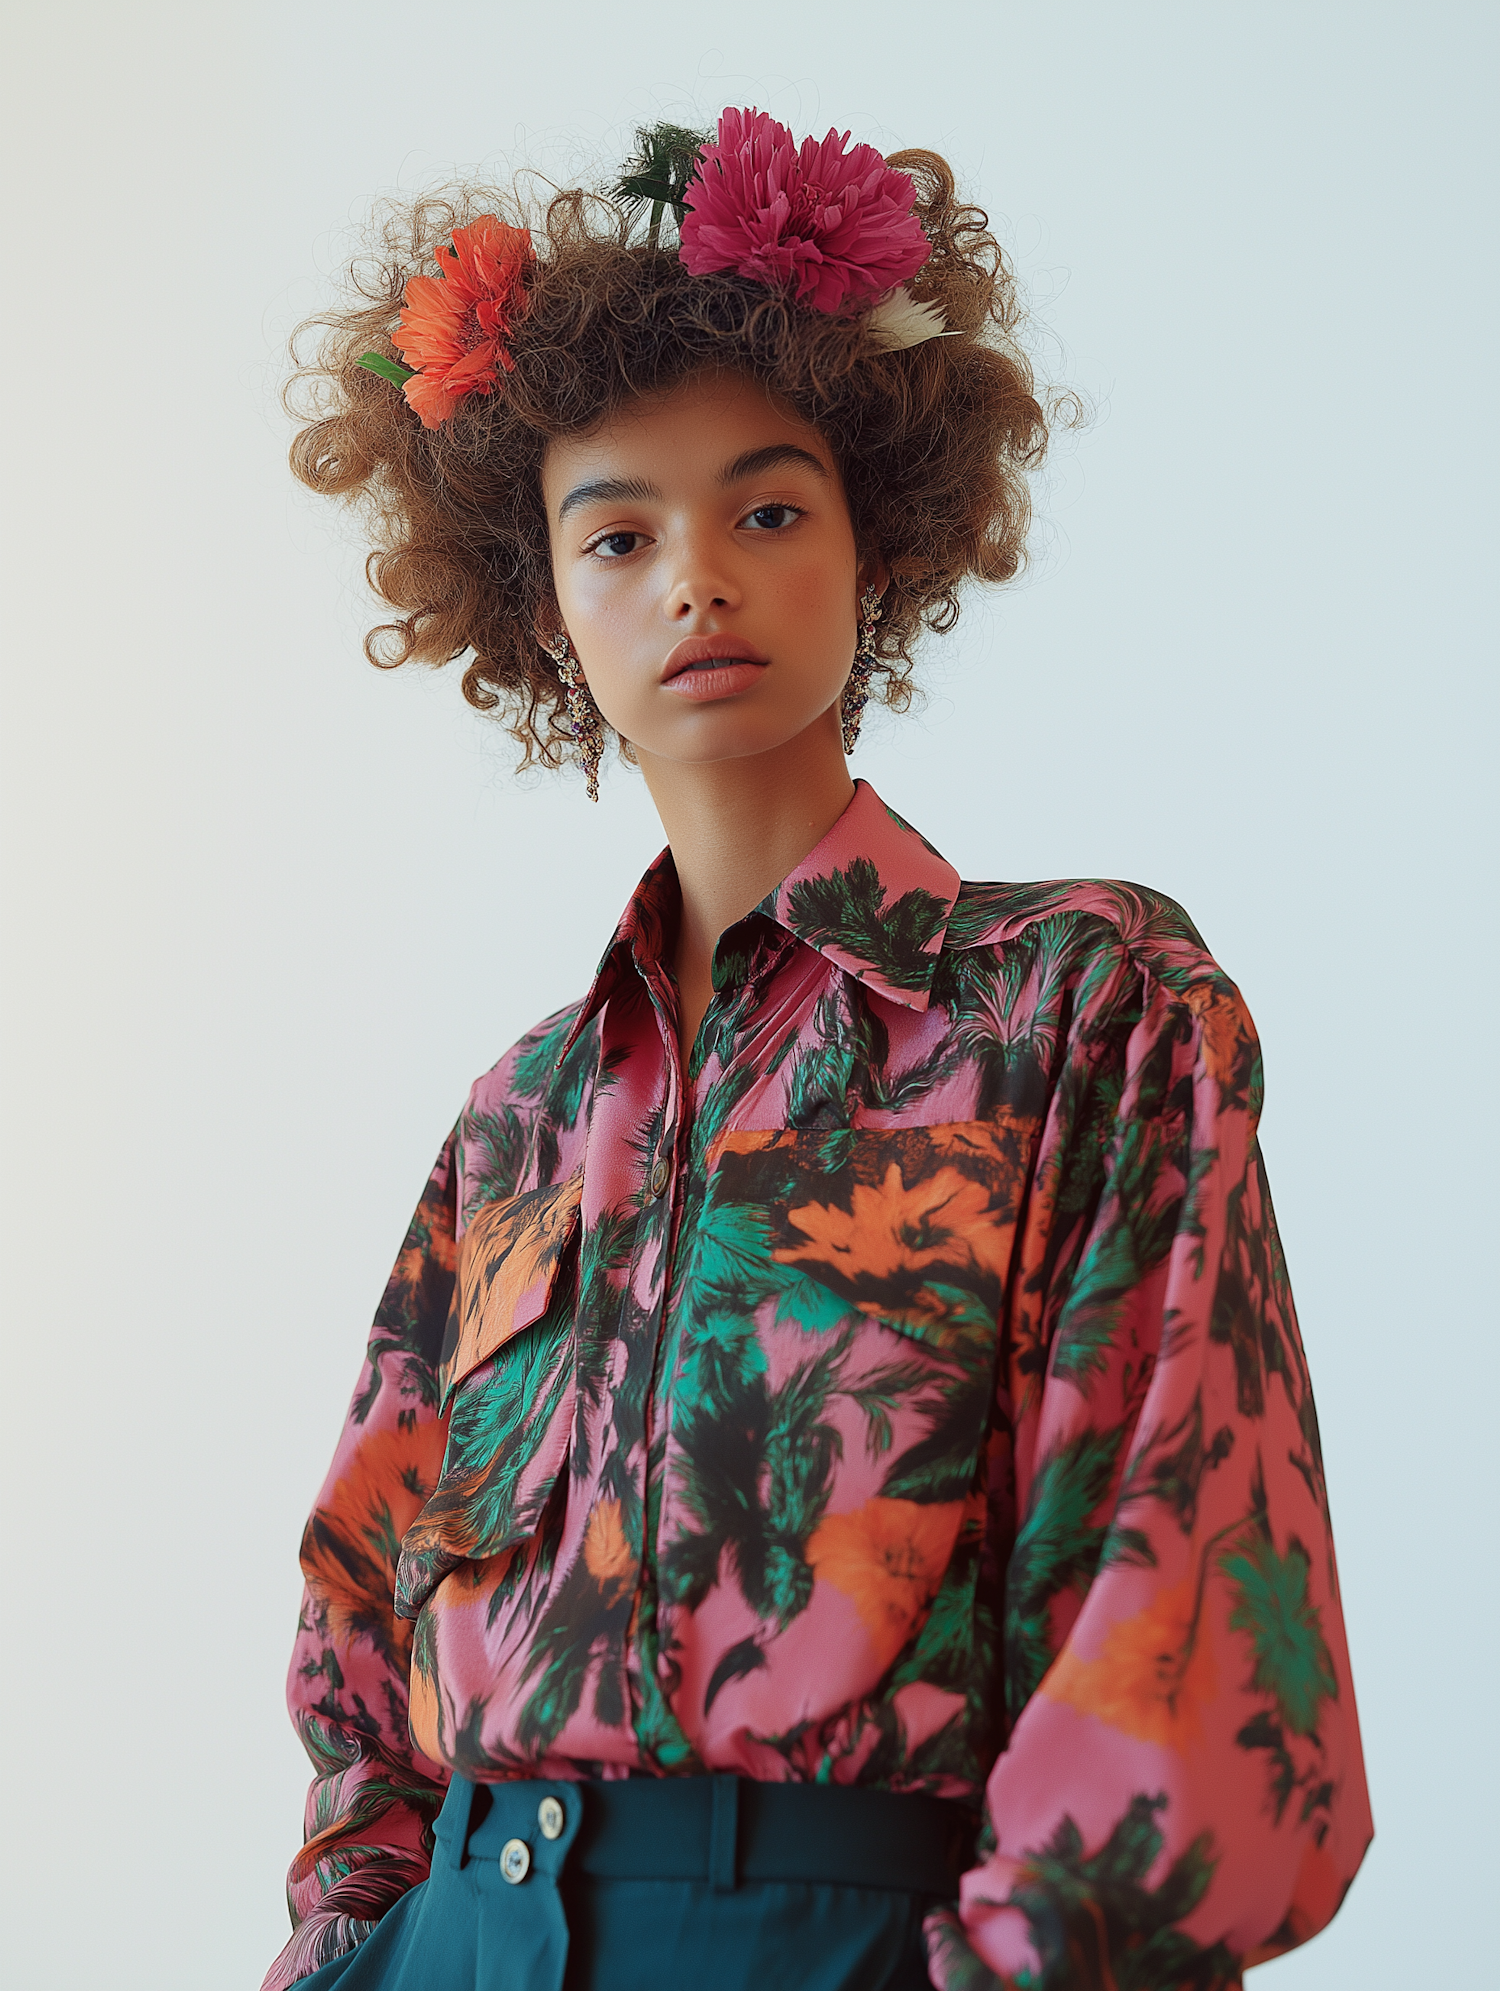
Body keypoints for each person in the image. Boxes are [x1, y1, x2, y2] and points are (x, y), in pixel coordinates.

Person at [265, 109, 1371, 1991]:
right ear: (545, 605)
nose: (697, 576)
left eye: (768, 510)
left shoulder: (1080, 1009)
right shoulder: (519, 1119)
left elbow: (1183, 1632)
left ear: (878, 540)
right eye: (620, 531)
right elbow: (363, 1635)